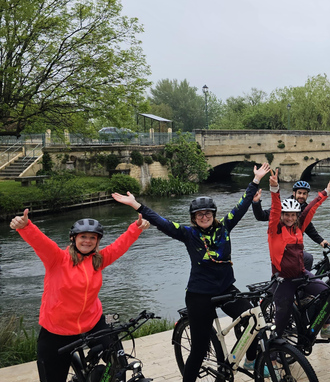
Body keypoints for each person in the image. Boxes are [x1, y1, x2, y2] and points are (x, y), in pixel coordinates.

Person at [112, 162, 271, 379]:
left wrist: (255, 181)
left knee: (252, 320)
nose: (204, 217)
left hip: (225, 288)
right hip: (199, 295)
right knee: (199, 347)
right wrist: (137, 205)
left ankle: (251, 360)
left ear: (213, 214)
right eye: (199, 214)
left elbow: (242, 205)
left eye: (207, 213)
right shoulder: (188, 234)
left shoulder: (224, 227)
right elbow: (162, 222)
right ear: (193, 218)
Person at [9, 209, 150, 382]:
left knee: (118, 361)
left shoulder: (98, 260)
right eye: (83, 236)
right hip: (57, 329)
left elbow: (119, 246)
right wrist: (25, 227)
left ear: (97, 241)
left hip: (92, 322)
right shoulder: (56, 259)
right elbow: (41, 242)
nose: (87, 241)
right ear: (73, 238)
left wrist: (136, 228)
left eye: (93, 238)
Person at [253, 179, 330, 340]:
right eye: (287, 215)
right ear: (282, 215)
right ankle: (271, 356)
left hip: (302, 275)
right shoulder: (275, 230)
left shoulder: (298, 227)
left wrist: (325, 192)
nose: (290, 218)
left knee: (328, 294)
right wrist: (274, 188)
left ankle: (321, 328)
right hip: (283, 280)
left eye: (293, 215)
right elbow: (275, 210)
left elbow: (312, 207)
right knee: (280, 324)